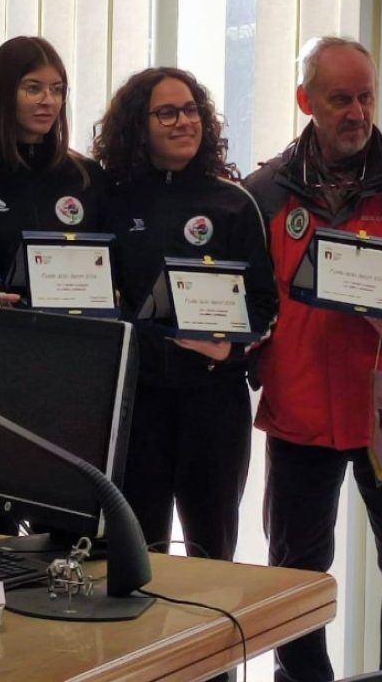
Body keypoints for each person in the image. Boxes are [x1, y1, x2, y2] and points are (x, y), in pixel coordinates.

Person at [244, 36, 382, 682]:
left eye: (366, 97)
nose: (357, 112)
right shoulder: (263, 192)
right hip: (300, 411)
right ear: (305, 101)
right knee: (294, 573)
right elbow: (245, 298)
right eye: (340, 99)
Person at [93, 67, 277, 563]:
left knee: (213, 553)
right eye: (166, 113)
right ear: (139, 125)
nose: (183, 122)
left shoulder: (234, 202)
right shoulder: (110, 200)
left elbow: (266, 303)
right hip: (138, 403)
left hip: (214, 402)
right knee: (135, 555)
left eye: (191, 109)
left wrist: (231, 345)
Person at [0, 35, 107, 533]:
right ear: (2, 94)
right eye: (33, 88)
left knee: (70, 539)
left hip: (75, 379)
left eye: (57, 89)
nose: (48, 101)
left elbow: (112, 269)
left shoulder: (87, 177)